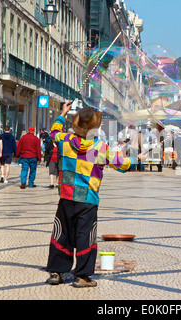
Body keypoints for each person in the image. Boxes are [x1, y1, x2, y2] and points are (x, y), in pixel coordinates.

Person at [45, 102, 145, 288]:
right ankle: (81, 276)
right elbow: (121, 164)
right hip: (88, 200)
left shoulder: (65, 140)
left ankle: (55, 273)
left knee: (62, 234)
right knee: (85, 236)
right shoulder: (99, 148)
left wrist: (62, 114)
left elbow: (52, 134)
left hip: (66, 197)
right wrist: (136, 159)